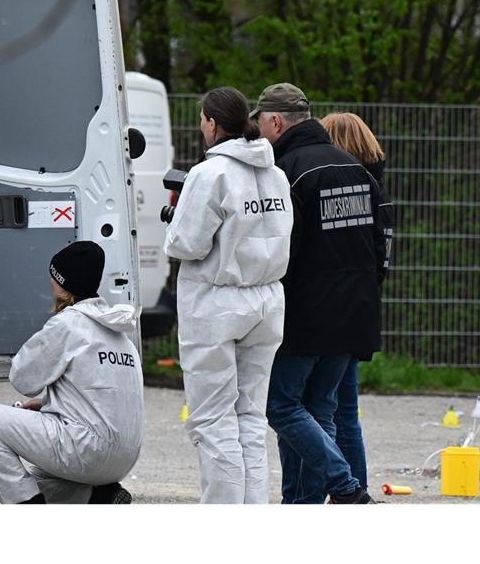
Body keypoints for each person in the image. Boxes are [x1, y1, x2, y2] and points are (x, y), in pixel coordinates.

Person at [252, 83, 387, 504]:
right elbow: (380, 248)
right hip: (356, 314)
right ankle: (302, 507)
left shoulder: (287, 172)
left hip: (306, 316)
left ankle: (344, 485)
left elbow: (280, 252)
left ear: (275, 121)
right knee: (320, 411)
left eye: (260, 123)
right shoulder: (357, 169)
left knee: (282, 407)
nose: (258, 133)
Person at [163, 87, 293, 503]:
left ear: (213, 123)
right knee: (250, 418)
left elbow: (186, 245)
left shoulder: (210, 174)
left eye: (202, 119)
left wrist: (175, 218)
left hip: (218, 303)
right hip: (268, 299)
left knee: (212, 419)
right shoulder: (275, 173)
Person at [0, 241, 143, 504]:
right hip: (122, 459)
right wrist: (47, 404)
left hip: (86, 450)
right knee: (40, 481)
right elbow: (104, 397)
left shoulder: (68, 324)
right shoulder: (121, 336)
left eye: (53, 276)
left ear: (61, 281)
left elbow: (23, 379)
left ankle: (27, 506)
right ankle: (96, 495)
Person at [310, 112, 394, 500]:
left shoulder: (341, 183)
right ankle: (355, 491)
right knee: (347, 412)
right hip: (362, 308)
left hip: (332, 311)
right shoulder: (379, 187)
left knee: (324, 409)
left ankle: (345, 489)